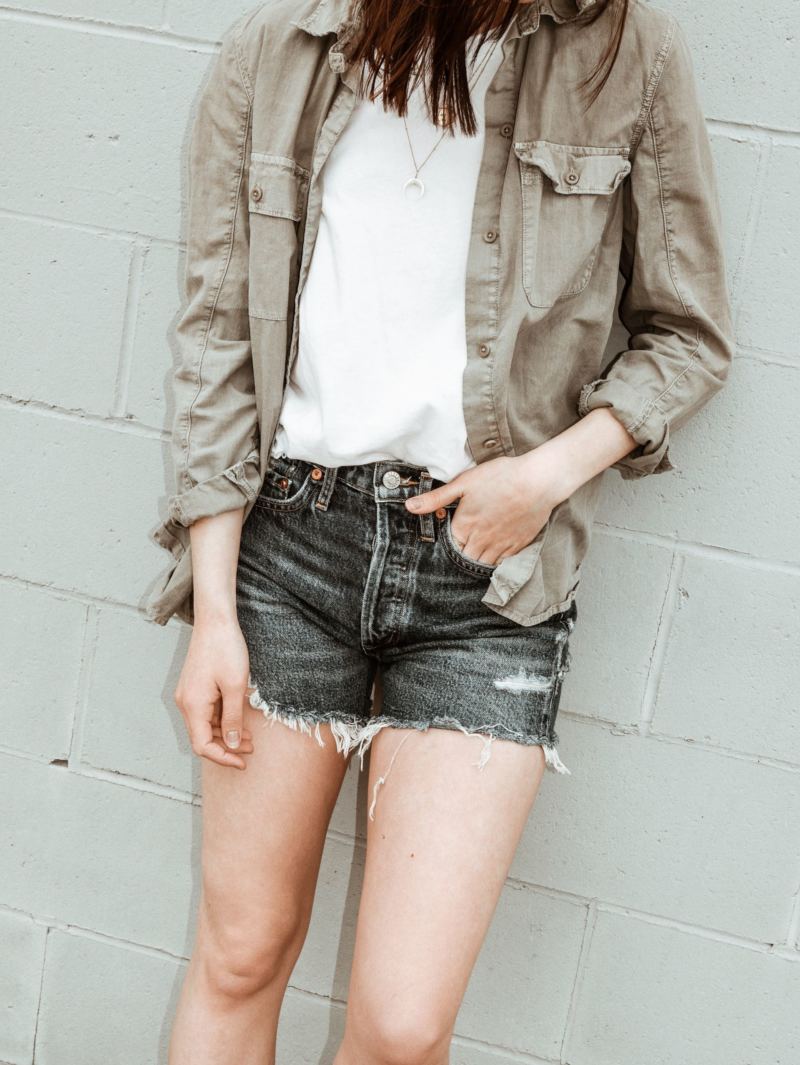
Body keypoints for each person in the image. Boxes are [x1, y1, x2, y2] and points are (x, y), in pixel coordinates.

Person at [144, 0, 734, 1061]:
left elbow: (686, 337)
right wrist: (214, 614)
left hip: (489, 585)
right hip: (287, 548)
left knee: (402, 1025)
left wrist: (544, 477)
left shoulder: (619, 46)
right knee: (240, 953)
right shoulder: (280, 45)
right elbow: (215, 343)